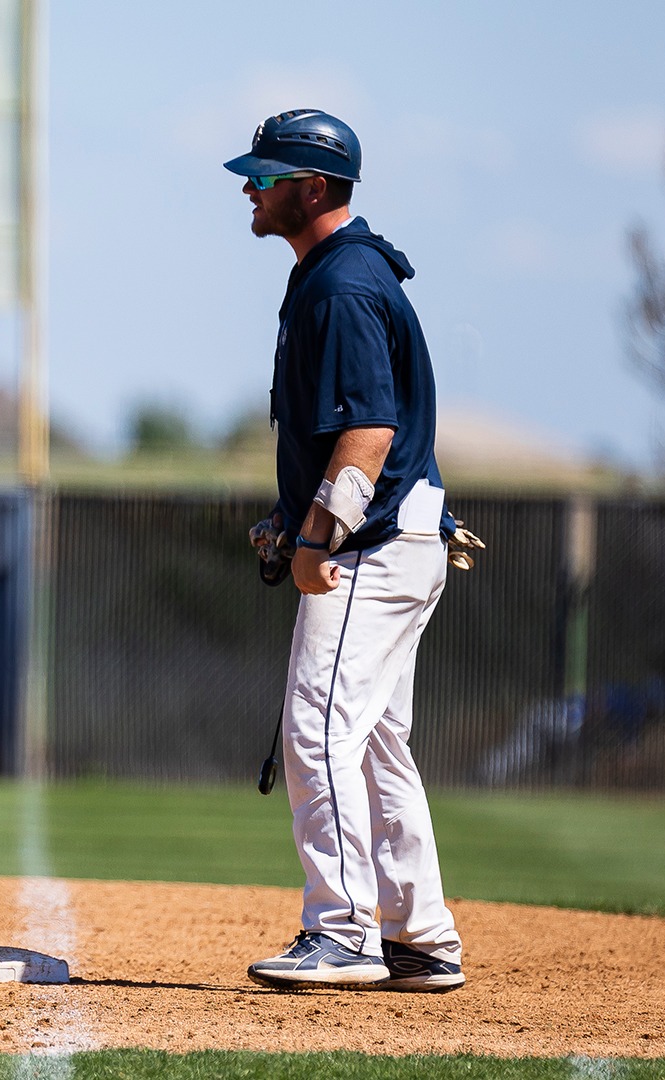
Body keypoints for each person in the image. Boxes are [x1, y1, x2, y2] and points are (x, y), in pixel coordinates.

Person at [227, 110, 466, 992]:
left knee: (318, 730)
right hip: (398, 537)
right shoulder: (335, 273)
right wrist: (295, 518)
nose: (250, 188)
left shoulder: (342, 287)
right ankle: (421, 936)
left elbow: (369, 432)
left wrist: (318, 537)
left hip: (374, 545)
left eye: (266, 174)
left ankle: (345, 930)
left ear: (314, 188)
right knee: (374, 745)